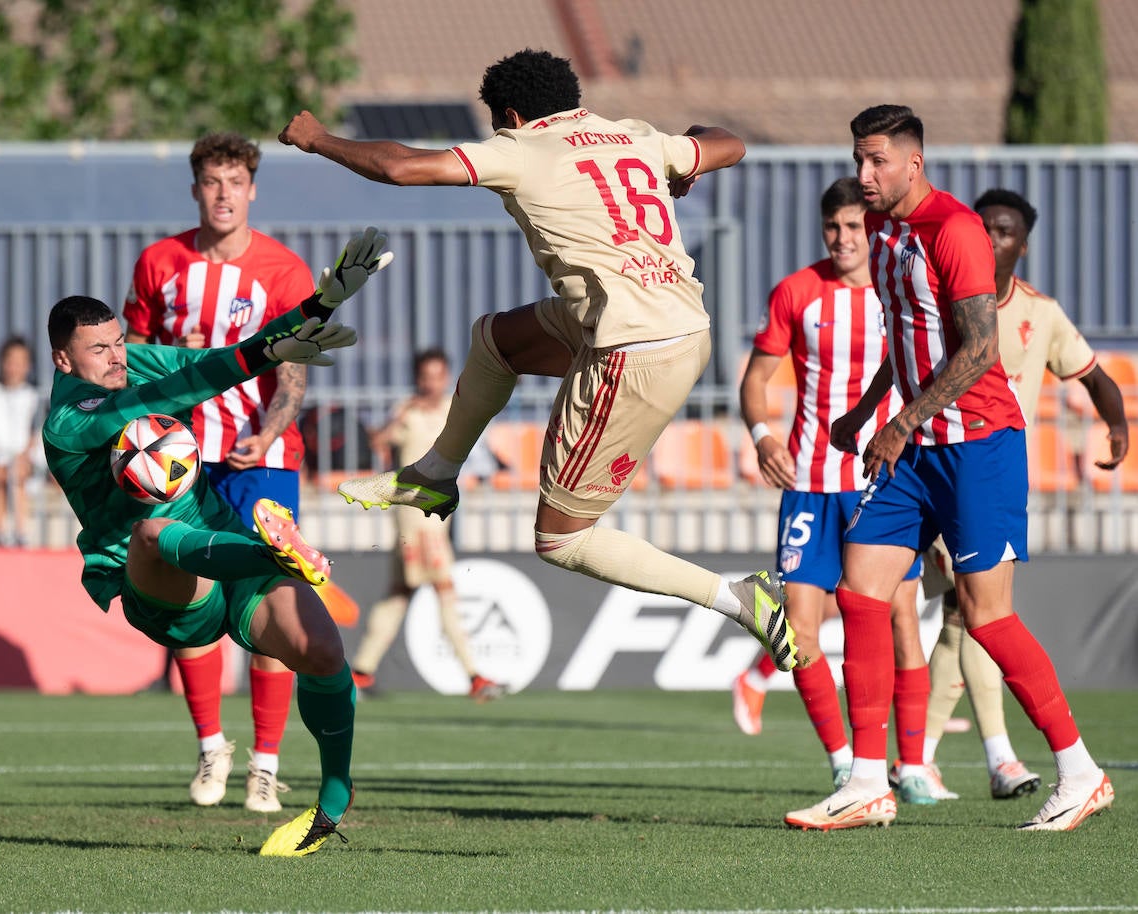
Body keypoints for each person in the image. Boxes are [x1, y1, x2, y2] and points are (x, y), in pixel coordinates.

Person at [279, 49, 799, 673]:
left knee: (561, 538)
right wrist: (685, 159)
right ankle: (436, 473)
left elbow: (400, 166)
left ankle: (740, 598)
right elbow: (729, 142)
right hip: (665, 320)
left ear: (514, 115)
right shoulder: (629, 135)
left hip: (633, 348)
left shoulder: (522, 147)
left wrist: (315, 138)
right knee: (495, 340)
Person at [785, 105, 1113, 832]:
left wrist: (897, 422)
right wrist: (870, 407)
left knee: (986, 617)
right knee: (861, 593)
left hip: (978, 446)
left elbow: (978, 350)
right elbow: (908, 342)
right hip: (915, 447)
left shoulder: (954, 229)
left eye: (876, 162)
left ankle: (1080, 771)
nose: (863, 176)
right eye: (858, 161)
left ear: (913, 162)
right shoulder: (884, 228)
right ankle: (869, 782)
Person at [40, 226, 393, 857]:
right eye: (99, 350)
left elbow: (216, 360)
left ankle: (334, 797)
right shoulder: (69, 419)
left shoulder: (129, 360)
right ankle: (271, 552)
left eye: (120, 341)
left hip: (220, 539)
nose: (118, 357)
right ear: (64, 361)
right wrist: (260, 354)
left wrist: (316, 308)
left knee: (320, 650)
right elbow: (174, 393)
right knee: (151, 530)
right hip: (160, 586)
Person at [123, 132, 323, 815]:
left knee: (264, 605)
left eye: (235, 181)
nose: (223, 194)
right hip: (179, 462)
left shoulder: (284, 272)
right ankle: (213, 746)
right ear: (195, 188)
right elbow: (135, 362)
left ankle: (265, 766)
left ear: (253, 189)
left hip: (260, 461)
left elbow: (292, 373)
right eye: (212, 181)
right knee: (189, 602)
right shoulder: (159, 263)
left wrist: (268, 428)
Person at [733, 177, 943, 803]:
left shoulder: (898, 289)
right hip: (810, 482)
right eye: (834, 227)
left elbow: (926, 377)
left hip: (884, 481)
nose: (844, 238)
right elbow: (756, 379)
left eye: (854, 226)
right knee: (799, 632)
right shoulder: (798, 291)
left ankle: (912, 765)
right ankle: (844, 760)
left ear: (871, 227)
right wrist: (764, 433)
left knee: (901, 617)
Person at [916, 188, 1130, 800]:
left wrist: (1116, 427)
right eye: (982, 227)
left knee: (963, 614)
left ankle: (933, 757)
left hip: (990, 476)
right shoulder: (940, 296)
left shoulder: (1041, 312)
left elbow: (1094, 376)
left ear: (1022, 244)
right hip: (935, 466)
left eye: (1004, 231)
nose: (991, 239)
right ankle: (958, 758)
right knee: (950, 610)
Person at [349, 347, 506, 702]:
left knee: (398, 594)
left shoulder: (454, 409)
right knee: (445, 590)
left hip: (437, 515)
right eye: (425, 377)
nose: (431, 383)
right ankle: (474, 676)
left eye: (437, 376)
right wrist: (399, 416)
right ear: (418, 378)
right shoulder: (409, 412)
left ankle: (359, 673)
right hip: (416, 517)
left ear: (446, 377)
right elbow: (378, 442)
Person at [0, 335, 41, 548]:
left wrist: (24, 457)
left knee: (17, 475)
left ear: (28, 365)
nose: (15, 368)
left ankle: (21, 532)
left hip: (24, 459)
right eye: (11, 361)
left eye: (20, 362)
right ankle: (1, 534)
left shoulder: (34, 395)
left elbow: (35, 434)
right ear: (2, 363)